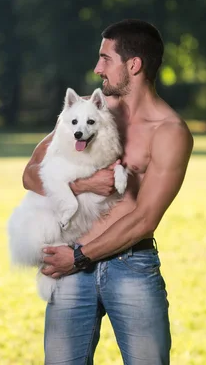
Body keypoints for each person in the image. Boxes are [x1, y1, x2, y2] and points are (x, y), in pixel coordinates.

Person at [22, 19, 194, 365]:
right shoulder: (86, 113)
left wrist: (80, 255)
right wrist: (83, 185)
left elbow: (145, 218)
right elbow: (30, 174)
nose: (96, 67)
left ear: (134, 65)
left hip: (131, 265)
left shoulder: (170, 132)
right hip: (71, 266)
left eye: (105, 59)